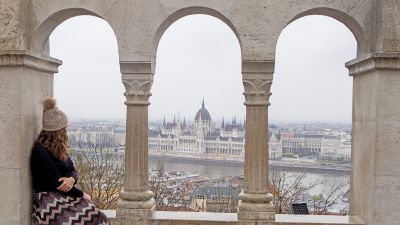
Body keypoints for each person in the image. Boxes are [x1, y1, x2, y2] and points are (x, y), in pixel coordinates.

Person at [31, 97, 107, 225]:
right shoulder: (40, 152)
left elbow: (72, 170)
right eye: (64, 128)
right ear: (58, 131)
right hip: (49, 200)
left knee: (100, 216)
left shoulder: (59, 149)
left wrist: (72, 179)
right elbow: (57, 184)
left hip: (64, 196)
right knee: (95, 217)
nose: (66, 130)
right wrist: (82, 194)